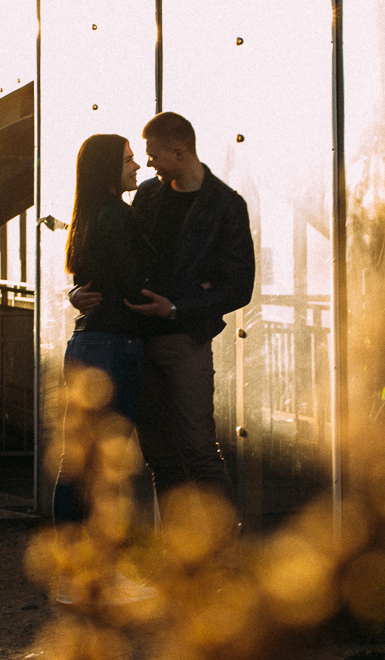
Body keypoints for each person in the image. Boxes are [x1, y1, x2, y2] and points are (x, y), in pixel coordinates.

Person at [72, 111, 253, 500]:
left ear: (180, 150)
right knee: (160, 457)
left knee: (199, 451)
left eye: (152, 155)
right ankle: (175, 554)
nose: (146, 163)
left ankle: (222, 551)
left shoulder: (226, 205)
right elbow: (111, 256)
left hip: (183, 340)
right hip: (136, 341)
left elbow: (239, 287)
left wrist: (177, 307)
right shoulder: (148, 195)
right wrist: (75, 291)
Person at [55, 133, 153, 522]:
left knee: (77, 458)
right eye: (129, 159)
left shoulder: (89, 216)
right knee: (104, 461)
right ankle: (89, 558)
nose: (138, 165)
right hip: (115, 347)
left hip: (88, 345)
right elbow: (133, 282)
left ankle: (70, 558)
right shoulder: (115, 216)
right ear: (108, 168)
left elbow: (94, 277)